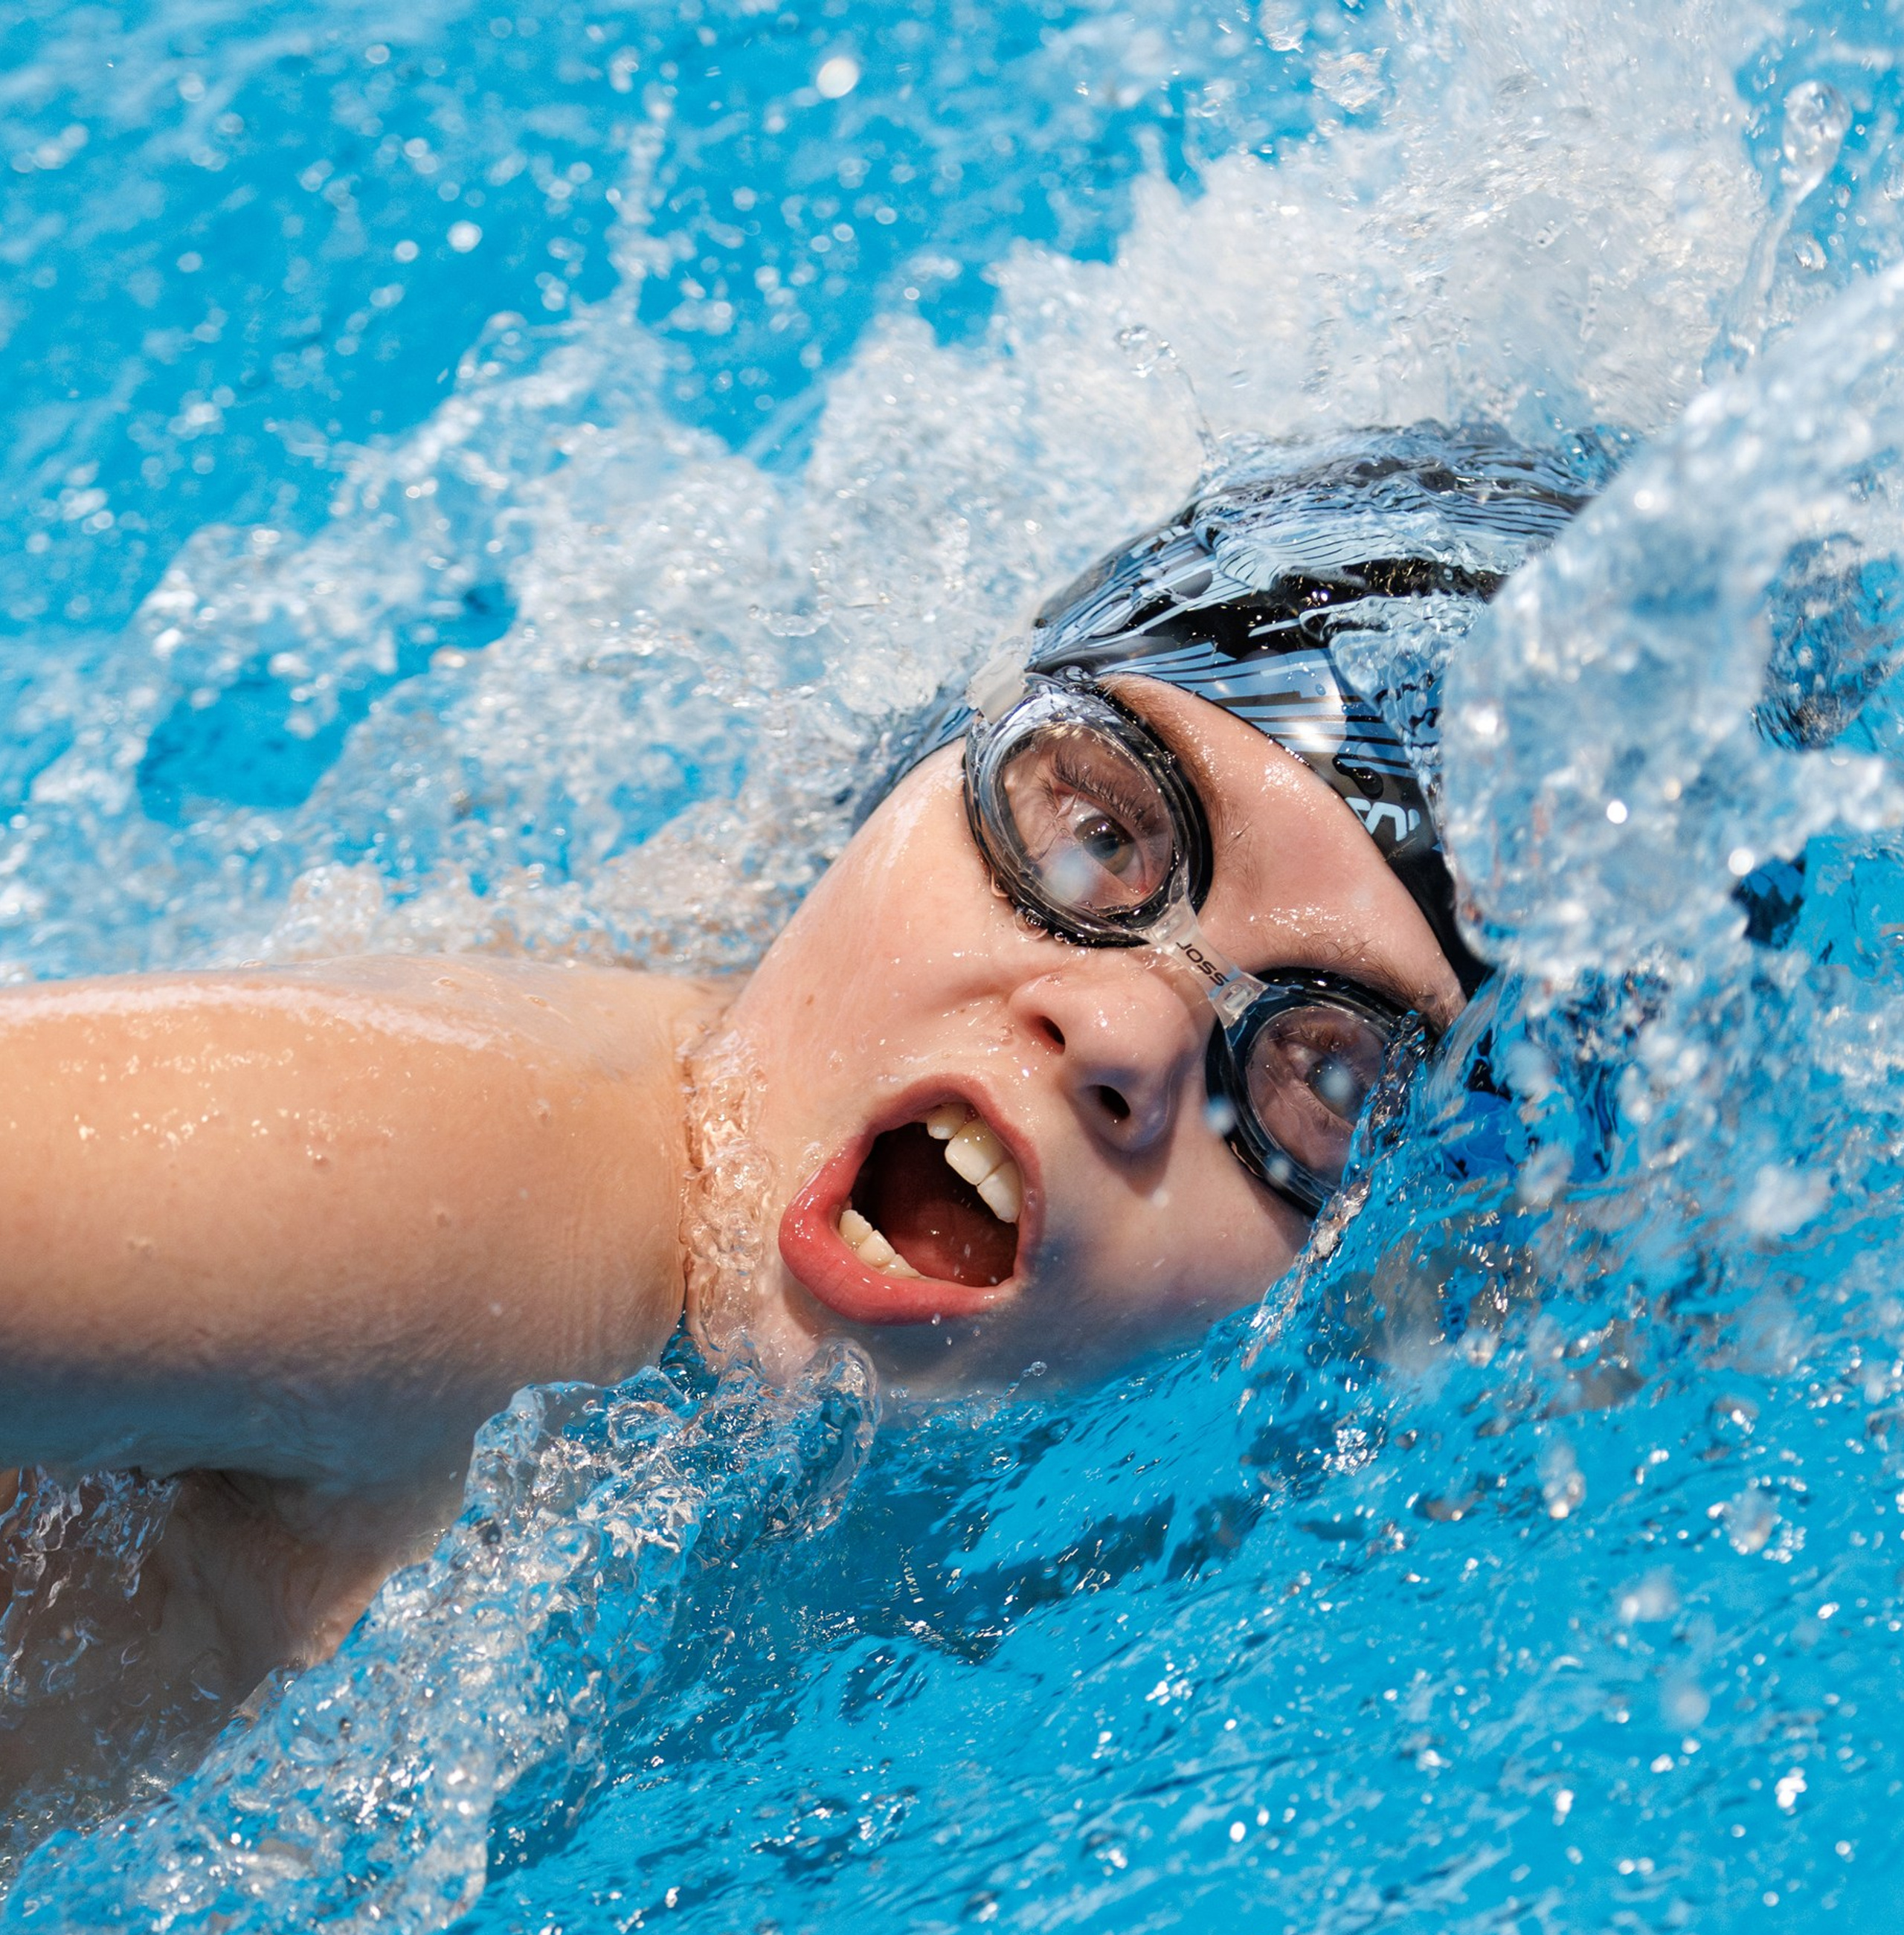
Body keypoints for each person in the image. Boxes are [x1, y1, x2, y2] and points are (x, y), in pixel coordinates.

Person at [0, 425, 1598, 1802]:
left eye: (1323, 1075)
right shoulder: (476, 1186)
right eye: (1100, 826)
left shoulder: (1128, 1550)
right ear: (929, 759)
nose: (1115, 1027)